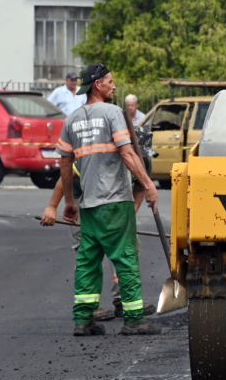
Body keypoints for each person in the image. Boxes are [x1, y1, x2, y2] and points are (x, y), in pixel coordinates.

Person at [56, 63, 161, 336]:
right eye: (110, 82)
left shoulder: (72, 120)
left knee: (88, 261)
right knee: (125, 258)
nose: (114, 86)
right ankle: (134, 319)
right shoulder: (114, 114)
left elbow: (66, 166)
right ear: (97, 85)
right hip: (114, 201)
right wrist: (149, 185)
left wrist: (69, 201)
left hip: (88, 204)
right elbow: (127, 155)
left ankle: (83, 320)